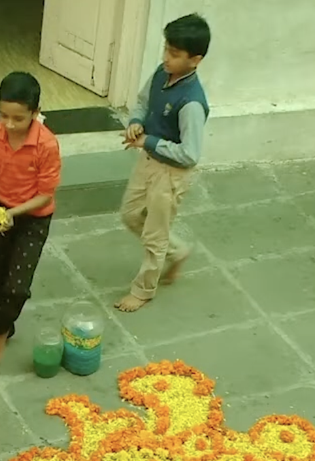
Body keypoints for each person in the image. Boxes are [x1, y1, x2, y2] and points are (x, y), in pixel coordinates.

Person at [115, 13, 212, 314]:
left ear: (195, 60)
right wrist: (135, 122)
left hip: (170, 174)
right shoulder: (160, 73)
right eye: (166, 49)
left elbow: (190, 153)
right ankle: (178, 251)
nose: (165, 57)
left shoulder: (192, 103)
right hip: (148, 160)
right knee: (131, 215)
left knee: (154, 233)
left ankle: (144, 289)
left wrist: (151, 142)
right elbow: (144, 101)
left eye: (174, 53)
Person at [0, 71, 62, 366]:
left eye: (18, 118)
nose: (9, 124)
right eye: (4, 116)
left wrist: (12, 213)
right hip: (2, 212)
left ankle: (0, 332)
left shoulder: (46, 145)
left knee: (16, 285)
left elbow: (45, 195)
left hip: (33, 219)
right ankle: (3, 322)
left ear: (35, 114)